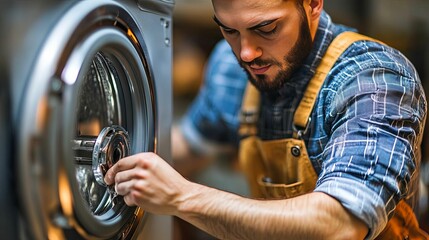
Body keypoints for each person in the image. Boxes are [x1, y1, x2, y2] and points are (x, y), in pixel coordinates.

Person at [104, 0, 429, 239]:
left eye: (266, 28)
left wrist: (182, 197)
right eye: (229, 30)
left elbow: (340, 225)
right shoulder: (231, 69)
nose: (246, 53)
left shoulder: (374, 79)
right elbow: (184, 149)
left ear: (313, 4)